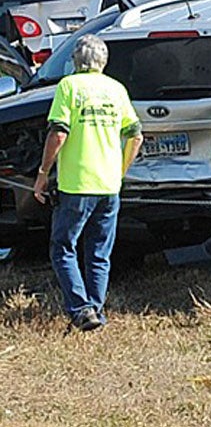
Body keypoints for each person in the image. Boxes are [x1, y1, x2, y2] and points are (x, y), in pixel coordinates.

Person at [31, 33, 139, 331]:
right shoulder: (116, 89)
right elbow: (136, 134)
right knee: (99, 251)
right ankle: (96, 311)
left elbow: (59, 133)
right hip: (109, 184)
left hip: (77, 184)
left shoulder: (69, 86)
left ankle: (81, 309)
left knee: (63, 246)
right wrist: (121, 170)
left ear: (75, 61)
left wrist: (43, 173)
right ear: (104, 62)